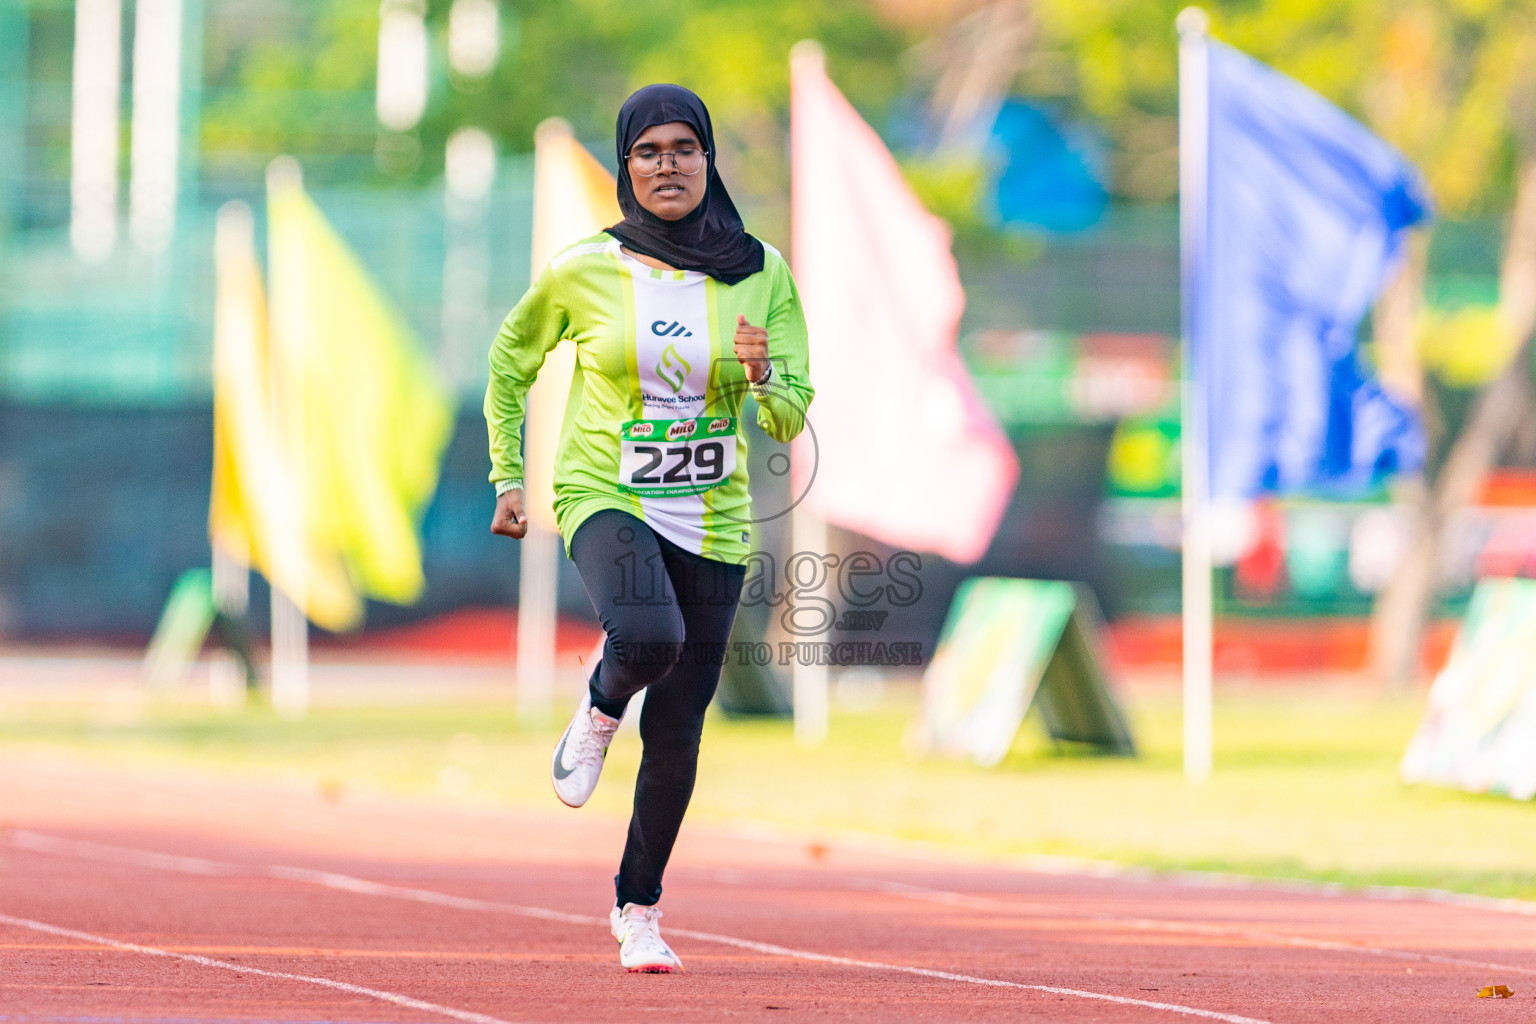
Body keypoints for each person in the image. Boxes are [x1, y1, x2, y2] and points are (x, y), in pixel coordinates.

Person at [484, 84, 813, 973]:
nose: (669, 164)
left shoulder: (761, 270)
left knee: (678, 731)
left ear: (709, 160)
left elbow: (789, 418)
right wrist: (510, 474)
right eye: (649, 151)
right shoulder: (583, 266)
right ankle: (596, 707)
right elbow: (510, 363)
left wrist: (762, 378)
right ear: (626, 167)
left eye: (685, 148)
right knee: (645, 636)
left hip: (714, 514)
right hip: (605, 490)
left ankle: (640, 910)